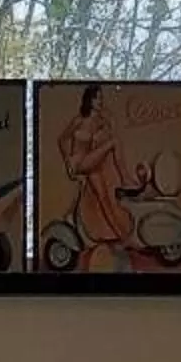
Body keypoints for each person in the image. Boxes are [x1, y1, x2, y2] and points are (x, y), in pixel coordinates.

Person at [58, 85, 135, 270]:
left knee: (105, 199)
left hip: (90, 163)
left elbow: (110, 133)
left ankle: (123, 236)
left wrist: (110, 120)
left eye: (102, 98)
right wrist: (68, 161)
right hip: (79, 162)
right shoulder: (79, 120)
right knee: (113, 144)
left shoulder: (101, 121)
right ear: (90, 100)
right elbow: (62, 139)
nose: (100, 101)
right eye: (97, 98)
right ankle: (126, 179)